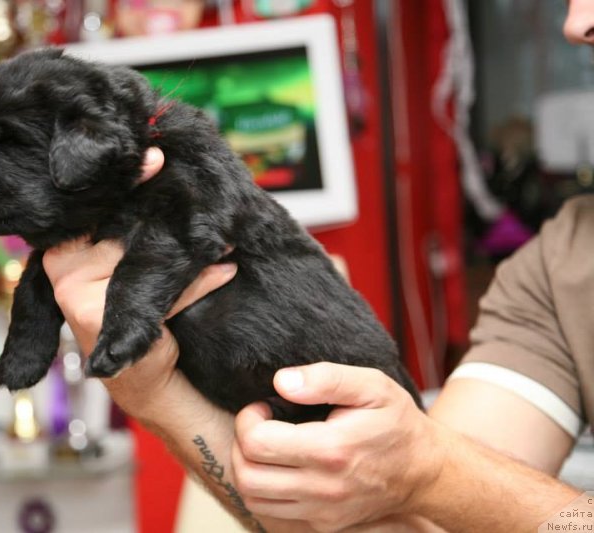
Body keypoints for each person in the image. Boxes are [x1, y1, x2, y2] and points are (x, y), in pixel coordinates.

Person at [42, 1, 594, 530]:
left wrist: (433, 468)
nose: (577, 21)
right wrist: (155, 392)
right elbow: (408, 529)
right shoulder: (557, 267)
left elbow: (442, 483)